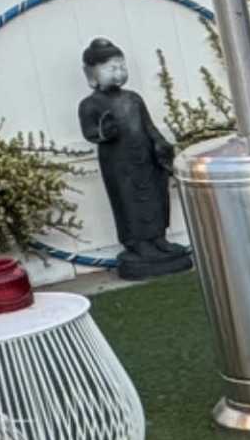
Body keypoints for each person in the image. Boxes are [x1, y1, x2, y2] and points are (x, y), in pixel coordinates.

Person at [77, 39, 191, 277]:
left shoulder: (133, 99)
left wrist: (161, 143)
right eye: (111, 68)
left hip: (147, 158)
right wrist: (104, 132)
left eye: (122, 67)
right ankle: (138, 244)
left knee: (156, 198)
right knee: (128, 201)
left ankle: (159, 238)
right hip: (119, 163)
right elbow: (90, 133)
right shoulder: (89, 104)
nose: (118, 73)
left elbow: (148, 126)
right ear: (92, 73)